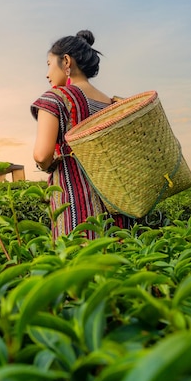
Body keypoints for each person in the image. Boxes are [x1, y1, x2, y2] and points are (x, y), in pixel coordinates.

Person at [31, 29, 131, 239]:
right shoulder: (112, 105)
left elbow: (42, 155)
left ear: (66, 61)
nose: (47, 74)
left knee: (77, 267)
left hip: (77, 211)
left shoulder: (55, 99)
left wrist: (45, 165)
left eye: (49, 64)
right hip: (119, 211)